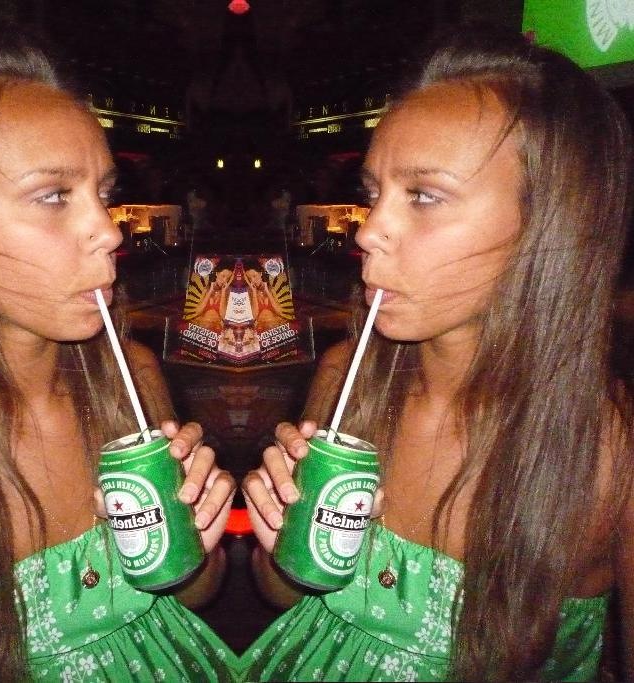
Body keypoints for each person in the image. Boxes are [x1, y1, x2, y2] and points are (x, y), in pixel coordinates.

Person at [0, 25, 239, 681]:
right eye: (54, 195)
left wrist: (193, 549)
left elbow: (189, 599)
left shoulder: (130, 376)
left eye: (103, 194)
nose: (109, 230)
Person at [241, 25, 634, 682]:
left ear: (548, 223)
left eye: (423, 195)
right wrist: (284, 549)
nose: (368, 230)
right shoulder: (347, 376)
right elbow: (288, 599)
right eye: (374, 193)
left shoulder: (612, 452)